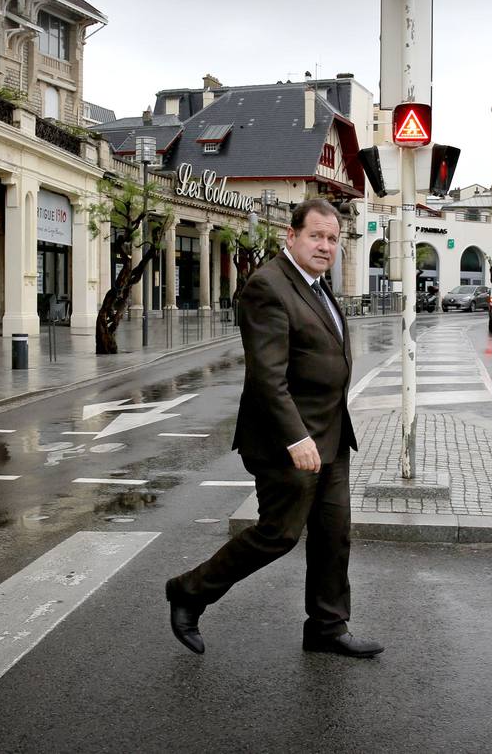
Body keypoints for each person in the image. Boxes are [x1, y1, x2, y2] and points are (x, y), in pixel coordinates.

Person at [165, 199, 382, 659]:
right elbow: (268, 376)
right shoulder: (267, 287)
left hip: (331, 436)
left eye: (332, 238)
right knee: (279, 534)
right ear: (292, 236)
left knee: (333, 533)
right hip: (290, 441)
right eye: (316, 236)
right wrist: (296, 438)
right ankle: (189, 591)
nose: (325, 246)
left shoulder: (318, 286)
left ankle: (327, 626)